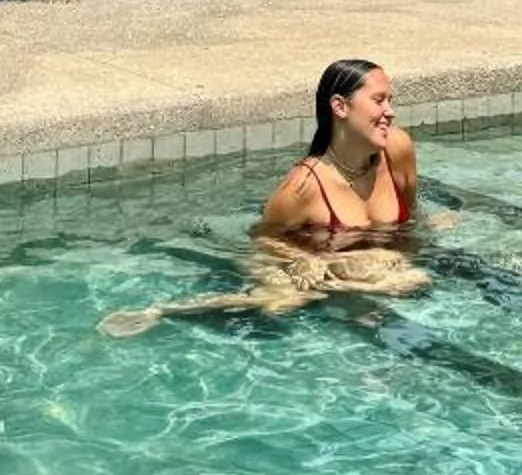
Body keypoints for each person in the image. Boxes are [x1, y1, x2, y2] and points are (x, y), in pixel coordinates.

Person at [98, 58, 430, 337]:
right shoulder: (302, 188)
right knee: (281, 301)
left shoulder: (397, 149)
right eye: (379, 100)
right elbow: (261, 239)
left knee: (410, 278)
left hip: (363, 266)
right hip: (315, 265)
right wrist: (305, 261)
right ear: (339, 106)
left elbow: (410, 217)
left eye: (391, 100)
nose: (390, 111)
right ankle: (161, 311)